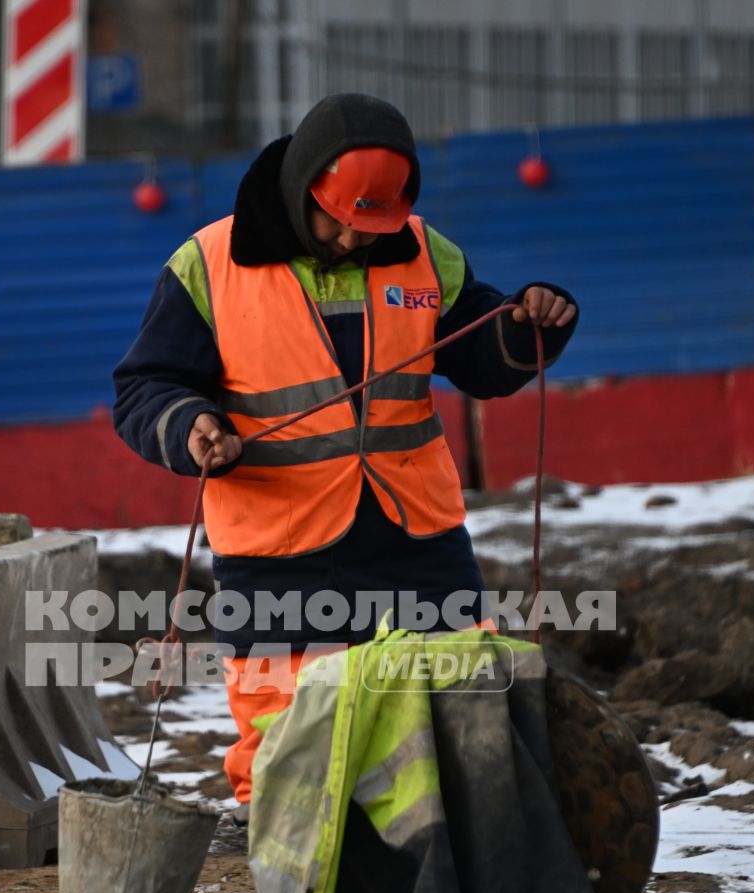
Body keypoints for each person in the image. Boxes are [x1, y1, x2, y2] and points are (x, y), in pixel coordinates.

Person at [113, 93, 579, 811]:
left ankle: (456, 878)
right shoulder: (207, 265)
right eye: (340, 221)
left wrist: (529, 324)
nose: (353, 240)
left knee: (461, 721)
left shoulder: (425, 251)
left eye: (371, 225)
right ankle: (304, 888)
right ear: (304, 190)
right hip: (277, 555)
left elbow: (487, 358)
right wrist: (190, 426)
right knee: (287, 748)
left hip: (414, 539)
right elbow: (146, 386)